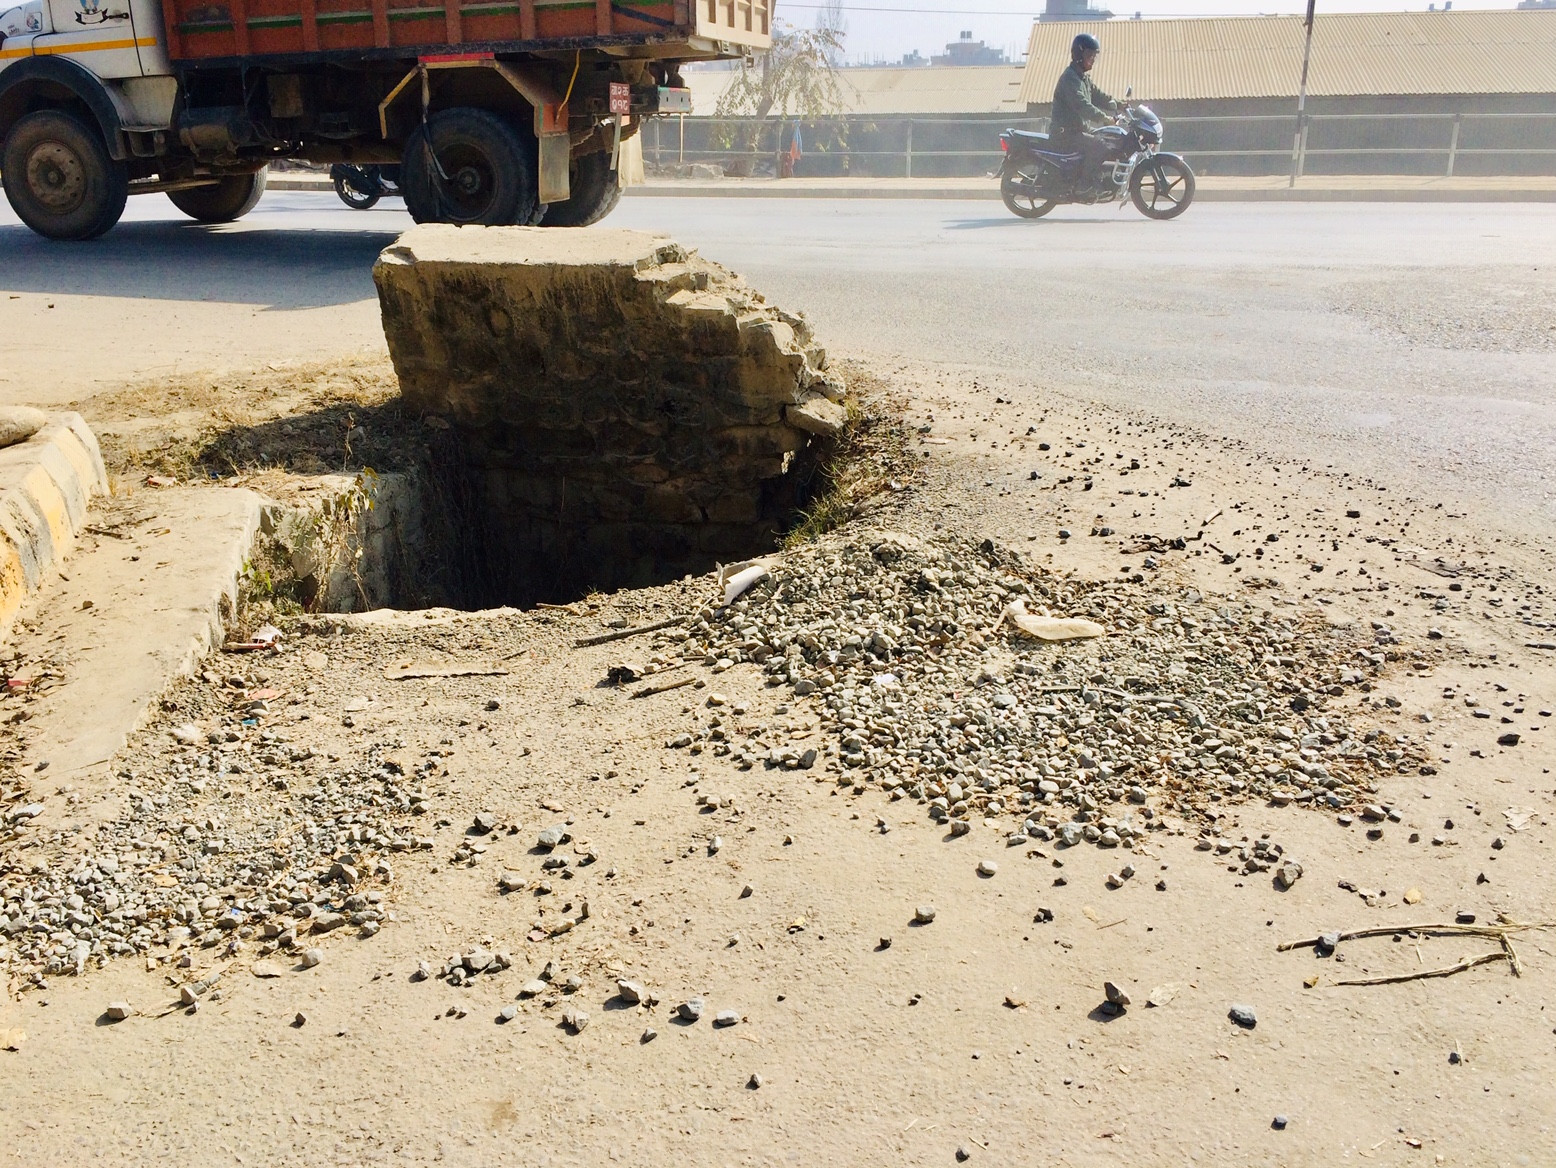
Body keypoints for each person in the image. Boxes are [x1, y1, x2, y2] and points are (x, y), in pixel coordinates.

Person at [1050, 32, 1122, 196]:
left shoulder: (1082, 78)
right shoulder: (1070, 79)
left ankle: (1095, 178)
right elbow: (1082, 105)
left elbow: (1100, 96)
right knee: (1099, 146)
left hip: (1079, 130)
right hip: (1065, 134)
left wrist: (1120, 105)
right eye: (1090, 55)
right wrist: (1105, 119)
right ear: (1078, 54)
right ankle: (1085, 185)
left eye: (1094, 55)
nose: (1093, 59)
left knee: (1108, 140)